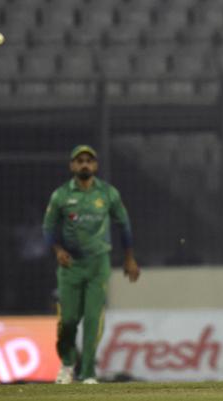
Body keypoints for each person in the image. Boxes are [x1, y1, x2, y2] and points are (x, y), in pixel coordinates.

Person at [42, 145, 140, 384]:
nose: (84, 164)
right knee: (68, 320)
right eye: (79, 161)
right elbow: (47, 228)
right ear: (72, 166)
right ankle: (67, 365)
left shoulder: (108, 193)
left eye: (89, 161)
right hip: (70, 266)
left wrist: (129, 257)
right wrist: (58, 250)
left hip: (98, 263)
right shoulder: (61, 195)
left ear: (95, 165)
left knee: (93, 318)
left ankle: (87, 373)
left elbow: (124, 225)